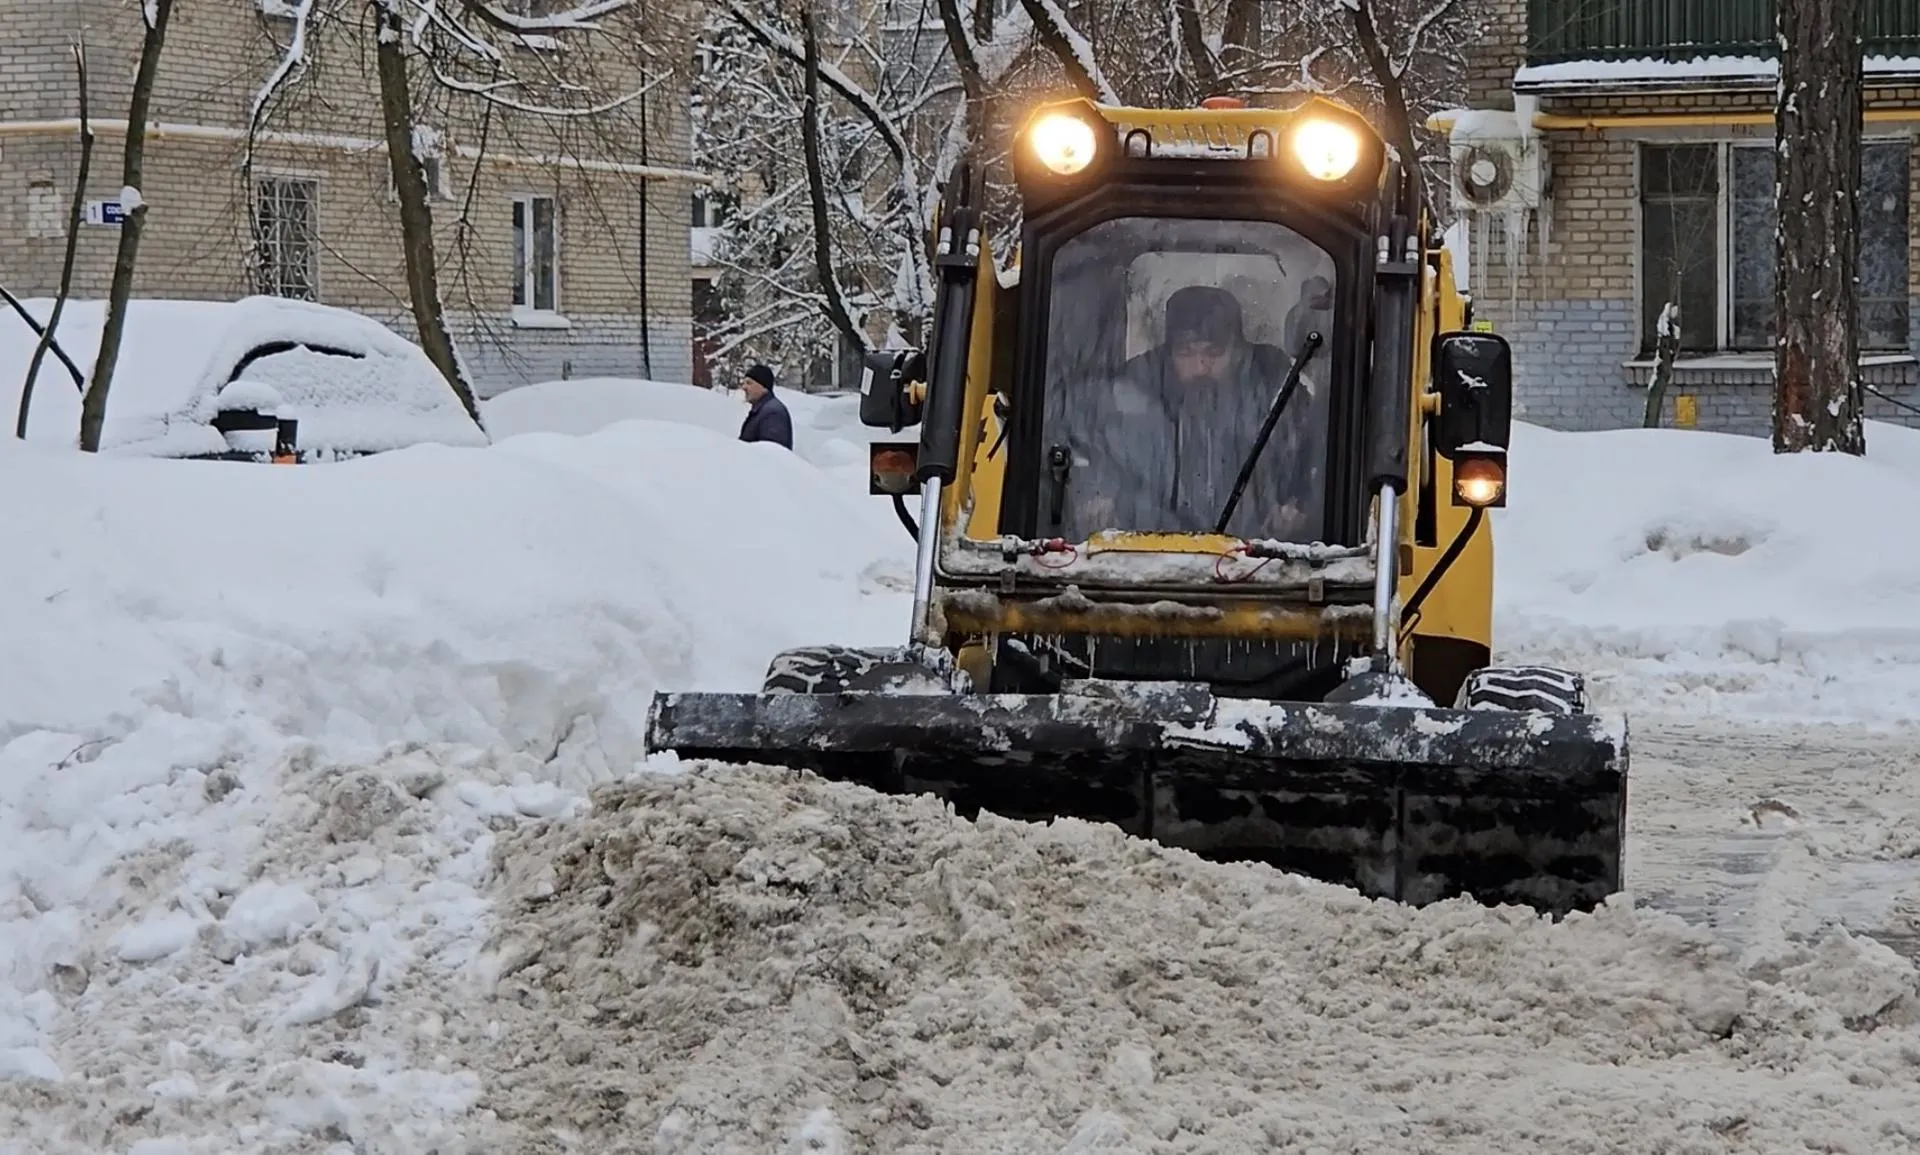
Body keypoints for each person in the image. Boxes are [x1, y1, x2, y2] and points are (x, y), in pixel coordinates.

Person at [1084, 285, 1321, 538]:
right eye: (1185, 352)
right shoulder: (1133, 393)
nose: (1200, 367)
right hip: (1148, 553)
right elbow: (1102, 457)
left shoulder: (1278, 393)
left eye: (1214, 352)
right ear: (1168, 352)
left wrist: (1296, 511)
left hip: (1256, 557)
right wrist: (1098, 497)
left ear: (1239, 350)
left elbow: (1311, 465)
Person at [737, 363, 794, 450]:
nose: (744, 387)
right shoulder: (761, 411)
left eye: (749, 383)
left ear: (764, 386)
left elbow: (772, 453)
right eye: (744, 383)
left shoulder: (773, 414)